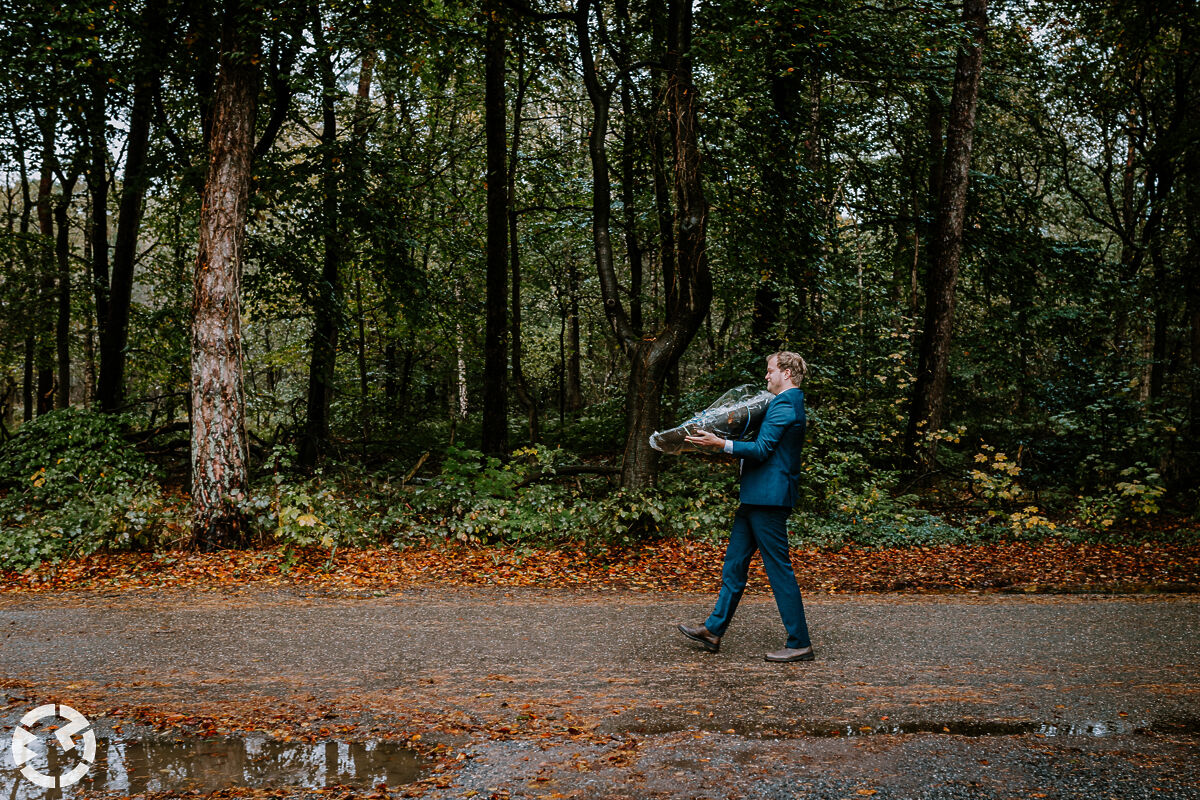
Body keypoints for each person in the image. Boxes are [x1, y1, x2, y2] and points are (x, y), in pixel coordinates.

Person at [677, 351, 814, 663]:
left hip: (769, 499)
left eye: (770, 371)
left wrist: (720, 444)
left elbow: (763, 449)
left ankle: (800, 643)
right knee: (734, 566)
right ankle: (713, 630)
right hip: (754, 497)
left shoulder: (786, 403)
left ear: (787, 373)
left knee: (779, 572)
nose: (766, 377)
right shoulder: (777, 403)